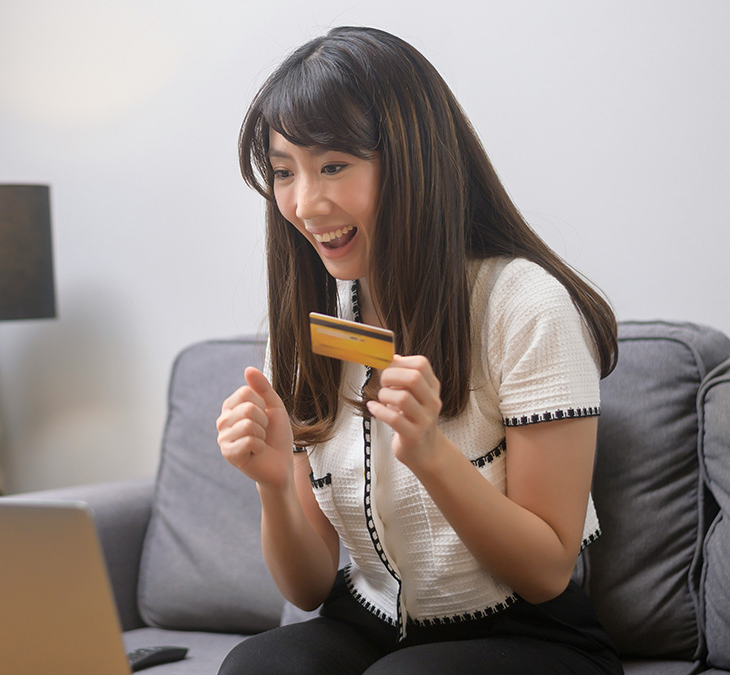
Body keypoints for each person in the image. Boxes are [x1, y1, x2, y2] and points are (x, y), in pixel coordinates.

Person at [214, 26, 624, 675]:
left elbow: (548, 568)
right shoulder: (305, 326)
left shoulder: (524, 306)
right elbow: (309, 586)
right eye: (285, 171)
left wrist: (433, 454)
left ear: (412, 158)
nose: (304, 202)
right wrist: (273, 487)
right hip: (373, 623)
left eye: (334, 166)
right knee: (257, 667)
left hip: (531, 631)